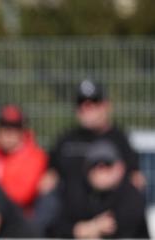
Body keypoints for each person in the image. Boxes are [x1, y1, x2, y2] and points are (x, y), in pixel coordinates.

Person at [41, 79, 145, 207]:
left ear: (106, 105)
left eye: (94, 102)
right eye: (81, 102)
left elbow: (136, 182)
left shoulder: (119, 140)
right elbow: (48, 180)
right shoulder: (66, 141)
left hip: (109, 219)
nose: (87, 108)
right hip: (70, 220)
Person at [49, 140, 150, 240]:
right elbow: (55, 226)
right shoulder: (76, 192)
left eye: (107, 164)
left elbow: (125, 227)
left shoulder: (131, 194)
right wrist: (86, 229)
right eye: (94, 164)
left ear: (120, 168)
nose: (100, 170)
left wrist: (91, 230)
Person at [0, 104, 47, 214]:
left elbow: (21, 195)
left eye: (14, 128)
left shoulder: (36, 157)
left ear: (22, 130)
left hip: (20, 217)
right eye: (4, 126)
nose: (8, 133)